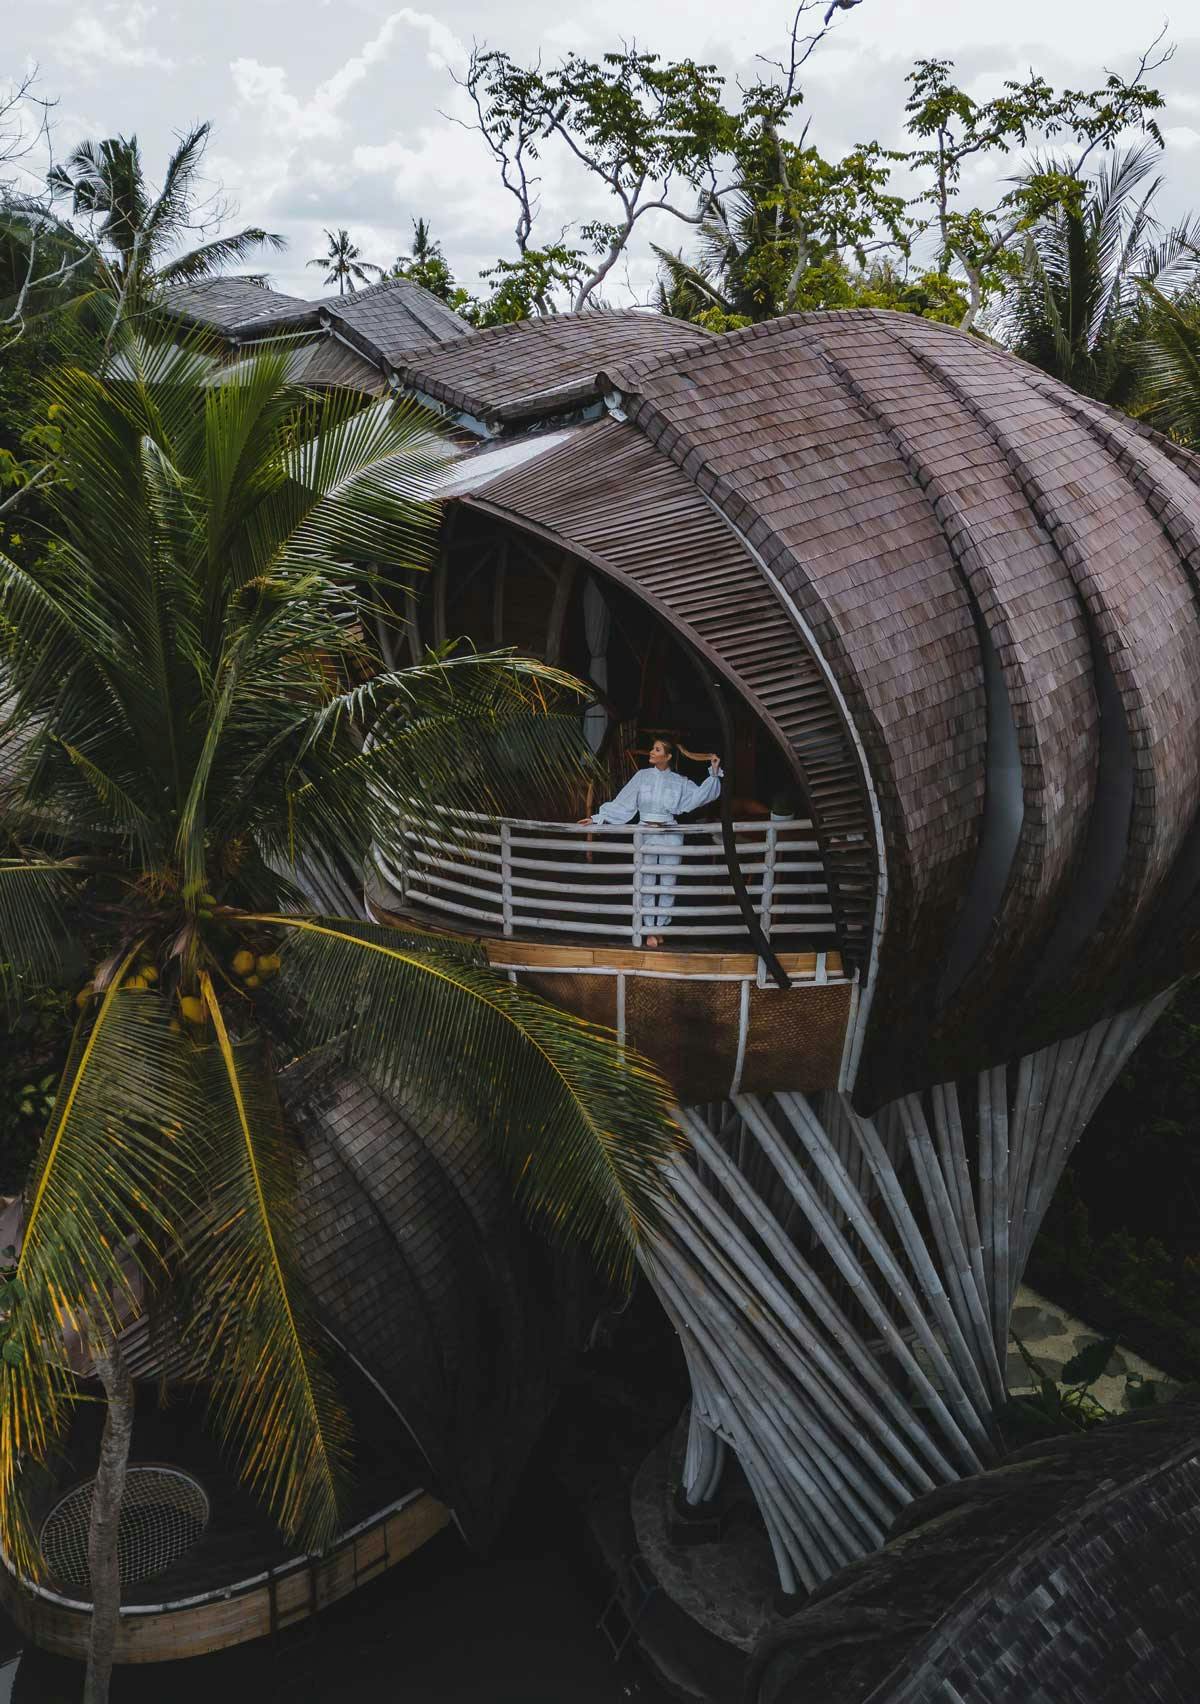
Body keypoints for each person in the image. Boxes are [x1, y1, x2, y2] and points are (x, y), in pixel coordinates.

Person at [579, 737, 723, 947]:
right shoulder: (641, 777)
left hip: (670, 834)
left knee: (667, 883)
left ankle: (660, 928)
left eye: (657, 750)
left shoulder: (679, 781)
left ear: (668, 756)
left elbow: (702, 795)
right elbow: (624, 802)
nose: (651, 752)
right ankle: (649, 929)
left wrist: (714, 771)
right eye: (653, 749)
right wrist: (597, 818)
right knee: (646, 882)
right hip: (645, 832)